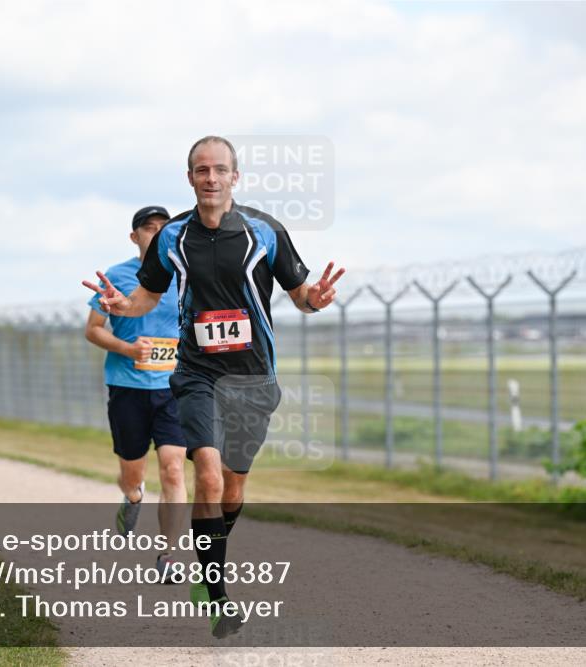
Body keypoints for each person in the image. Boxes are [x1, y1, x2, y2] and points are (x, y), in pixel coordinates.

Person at [83, 136, 345, 637]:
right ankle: (216, 594)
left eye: (219, 169)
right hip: (196, 373)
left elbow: (299, 294)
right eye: (201, 170)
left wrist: (316, 299)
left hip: (253, 376)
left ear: (234, 176)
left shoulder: (264, 231)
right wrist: (122, 306)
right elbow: (146, 296)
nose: (210, 178)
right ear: (190, 178)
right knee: (206, 475)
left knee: (233, 488)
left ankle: (210, 558)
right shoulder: (172, 237)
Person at [85, 205, 188, 583]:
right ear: (135, 237)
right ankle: (132, 497)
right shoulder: (117, 276)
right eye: (148, 227)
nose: (156, 232)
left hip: (173, 388)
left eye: (164, 227)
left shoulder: (185, 276)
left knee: (174, 468)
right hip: (128, 387)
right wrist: (128, 349)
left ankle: (169, 555)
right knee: (132, 474)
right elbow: (94, 329)